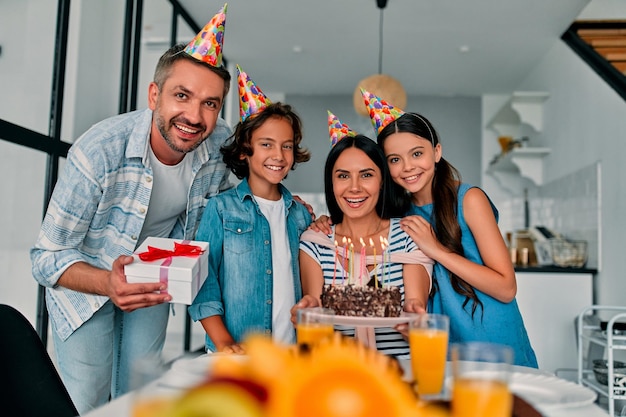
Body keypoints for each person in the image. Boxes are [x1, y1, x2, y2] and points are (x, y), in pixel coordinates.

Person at [30, 6, 232, 413]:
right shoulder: (100, 150)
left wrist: (292, 202)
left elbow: (243, 190)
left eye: (210, 103)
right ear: (154, 95)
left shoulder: (219, 145)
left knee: (140, 395)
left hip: (154, 280)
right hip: (84, 284)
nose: (195, 116)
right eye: (182, 96)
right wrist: (108, 283)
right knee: (87, 399)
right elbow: (45, 258)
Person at [364, 89, 538, 367]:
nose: (407, 167)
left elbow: (506, 287)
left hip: (494, 343)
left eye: (417, 153)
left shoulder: (469, 200)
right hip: (439, 348)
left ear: (436, 152)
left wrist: (436, 250)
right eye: (394, 160)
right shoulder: (399, 216)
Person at [188, 66, 312, 353]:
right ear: (245, 150)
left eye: (287, 146)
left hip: (289, 354)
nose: (278, 156)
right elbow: (203, 282)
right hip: (234, 354)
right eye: (266, 144)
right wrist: (225, 343)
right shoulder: (220, 209)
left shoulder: (300, 215)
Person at [294, 113, 433, 359]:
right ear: (331, 183)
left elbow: (415, 305)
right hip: (337, 374)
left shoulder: (410, 235)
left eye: (367, 175)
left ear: (382, 181)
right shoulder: (315, 242)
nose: (354, 187)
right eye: (343, 175)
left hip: (401, 375)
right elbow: (313, 306)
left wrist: (415, 321)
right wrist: (308, 313)